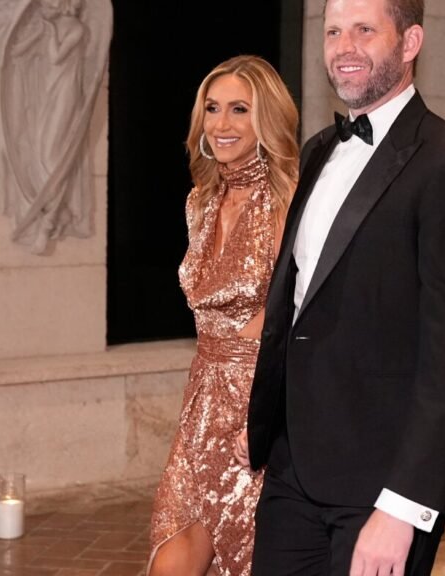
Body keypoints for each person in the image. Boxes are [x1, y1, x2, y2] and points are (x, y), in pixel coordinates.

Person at [236, 0, 445, 574]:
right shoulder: (317, 151)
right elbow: (296, 303)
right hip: (294, 469)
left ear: (410, 43)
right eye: (333, 31)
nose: (344, 47)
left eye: (364, 30)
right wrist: (263, 420)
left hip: (382, 482)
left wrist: (403, 507)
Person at [149, 55, 300, 576]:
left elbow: (293, 311)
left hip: (254, 402)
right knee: (171, 558)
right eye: (212, 108)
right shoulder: (200, 202)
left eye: (240, 109)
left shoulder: (285, 201)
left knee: (244, 557)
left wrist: (264, 417)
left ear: (267, 119)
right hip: (201, 401)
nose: (221, 124)